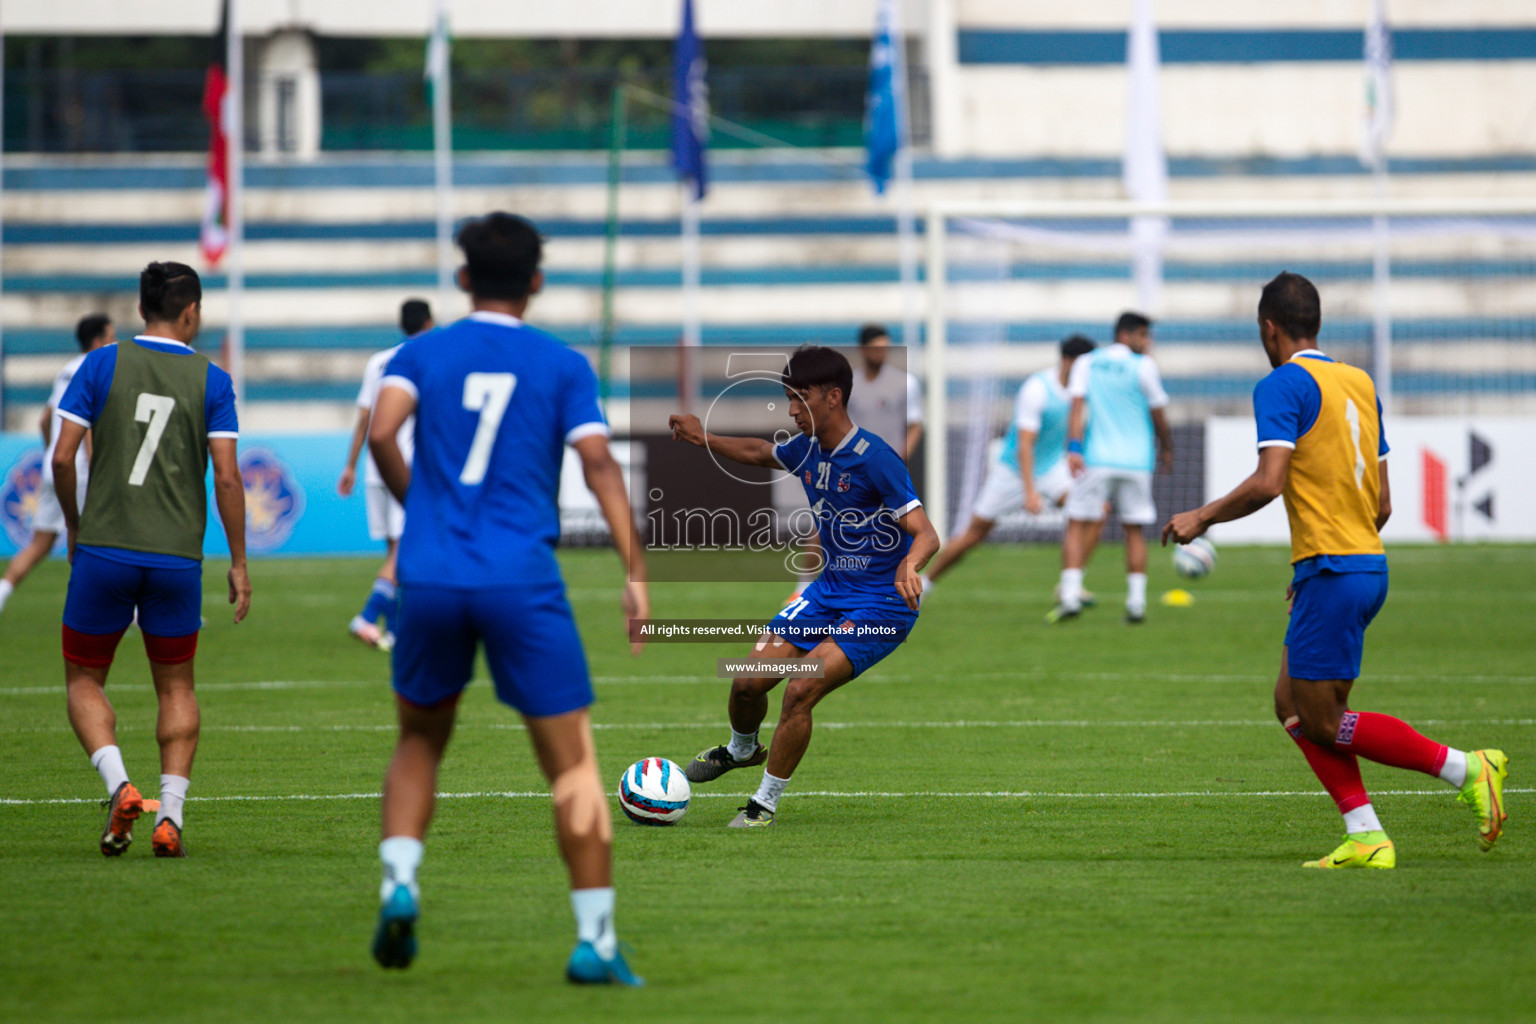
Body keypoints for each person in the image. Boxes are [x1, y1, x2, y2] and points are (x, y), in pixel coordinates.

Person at [366, 213, 649, 984]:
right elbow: (598, 465)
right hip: (520, 577)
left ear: (462, 279)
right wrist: (635, 573)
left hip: (428, 575)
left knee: (420, 740)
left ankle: (400, 883)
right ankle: (594, 940)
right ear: (537, 280)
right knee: (572, 766)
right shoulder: (562, 365)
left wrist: (421, 510)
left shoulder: (419, 352)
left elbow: (384, 432)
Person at [1164, 271, 1506, 869]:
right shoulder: (1359, 381)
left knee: (1322, 719)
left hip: (1334, 569)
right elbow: (1383, 503)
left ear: (1268, 328)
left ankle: (1466, 767)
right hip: (1363, 565)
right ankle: (1366, 834)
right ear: (1316, 324)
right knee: (1291, 705)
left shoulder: (1282, 386)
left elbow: (1270, 482)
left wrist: (1203, 515)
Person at [669, 345, 939, 827]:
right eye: (788, 398)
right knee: (747, 679)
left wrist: (910, 565)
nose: (792, 410)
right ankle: (742, 749)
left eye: (800, 398)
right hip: (827, 593)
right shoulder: (808, 449)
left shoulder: (877, 459)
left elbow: (927, 533)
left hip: (881, 608)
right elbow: (758, 451)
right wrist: (702, 438)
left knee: (801, 688)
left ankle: (763, 804)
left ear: (833, 397)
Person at [51, 262, 250, 860]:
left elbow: (62, 459)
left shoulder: (101, 362)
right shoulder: (213, 380)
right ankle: (172, 818)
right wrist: (238, 560)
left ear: (142, 310)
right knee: (177, 685)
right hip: (175, 559)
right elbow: (229, 475)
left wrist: (75, 525)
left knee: (85, 678)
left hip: (105, 550)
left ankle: (120, 786)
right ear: (191, 313)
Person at [922, 334, 1096, 589]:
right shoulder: (1037, 389)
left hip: (1051, 468)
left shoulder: (1082, 391)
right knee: (974, 535)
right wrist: (1030, 492)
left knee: (1094, 511)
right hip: (1013, 472)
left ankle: (1071, 585)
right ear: (1068, 361)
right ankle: (926, 583)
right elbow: (1024, 445)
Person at [1051, 311, 1173, 624]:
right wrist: (1167, 448)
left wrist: (1074, 448)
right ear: (1126, 335)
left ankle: (1070, 595)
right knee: (1134, 529)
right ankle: (1136, 603)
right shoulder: (1144, 365)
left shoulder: (1087, 363)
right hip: (1137, 460)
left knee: (1077, 522)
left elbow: (1077, 407)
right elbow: (1159, 412)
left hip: (1097, 458)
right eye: (1144, 336)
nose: (1147, 343)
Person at [0, 314, 116, 615]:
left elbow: (45, 419)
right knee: (109, 536)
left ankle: (2, 592)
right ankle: (124, 611)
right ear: (98, 342)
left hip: (56, 466)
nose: (115, 344)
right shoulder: (96, 367)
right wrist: (94, 465)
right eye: (111, 337)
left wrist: (53, 451)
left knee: (41, 542)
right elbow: (88, 424)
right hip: (79, 469)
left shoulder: (66, 370)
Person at [338, 298, 434, 650]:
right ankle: (367, 616)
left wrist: (350, 464)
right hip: (404, 466)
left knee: (395, 548)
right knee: (404, 549)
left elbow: (365, 417)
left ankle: (394, 631)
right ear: (428, 322)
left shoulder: (378, 361)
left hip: (375, 468)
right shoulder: (426, 359)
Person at [845, 324, 922, 460]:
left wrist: (899, 459)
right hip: (857, 465)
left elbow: (914, 426)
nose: (881, 353)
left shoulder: (905, 383)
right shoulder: (849, 384)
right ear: (862, 349)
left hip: (888, 464)